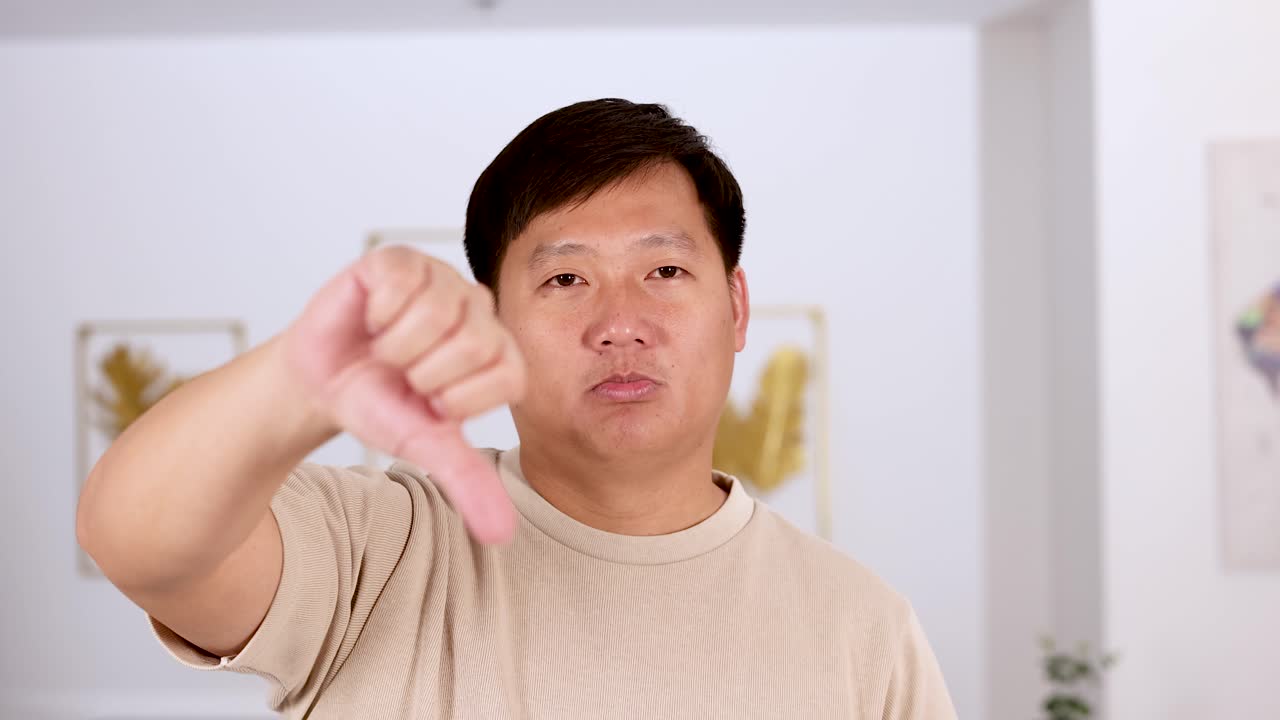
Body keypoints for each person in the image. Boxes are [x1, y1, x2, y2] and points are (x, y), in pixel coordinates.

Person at [76, 98, 957, 719]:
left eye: (665, 272)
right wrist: (303, 380)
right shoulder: (375, 552)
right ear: (492, 315)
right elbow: (139, 541)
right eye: (566, 278)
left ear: (735, 308)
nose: (620, 324)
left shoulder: (862, 626)